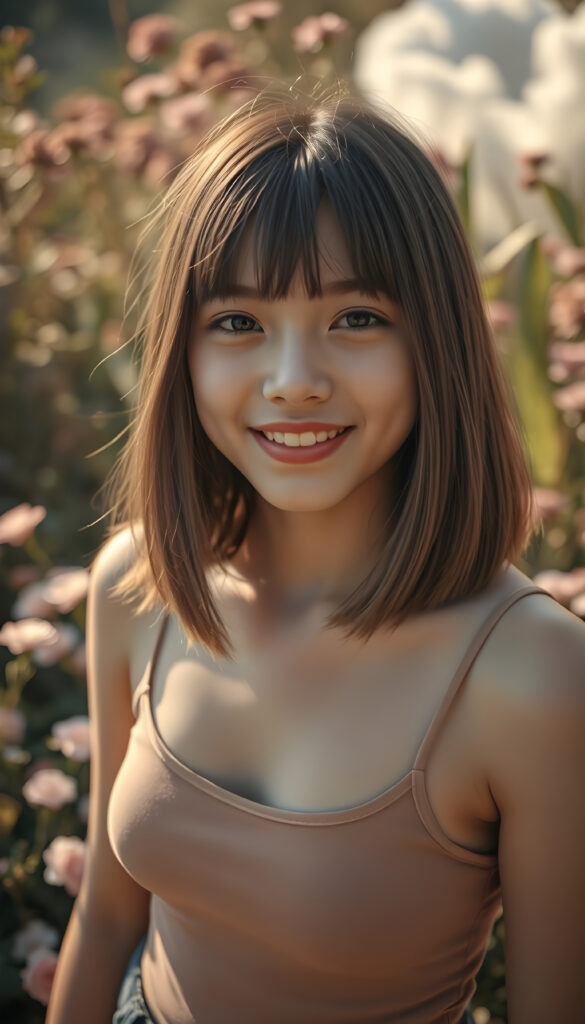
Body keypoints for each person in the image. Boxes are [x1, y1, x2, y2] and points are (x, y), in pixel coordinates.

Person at [45, 84, 585, 1024]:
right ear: (182, 349)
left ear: (438, 344)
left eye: (356, 319)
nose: (293, 382)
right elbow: (105, 919)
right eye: (239, 323)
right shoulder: (138, 586)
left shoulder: (528, 671)